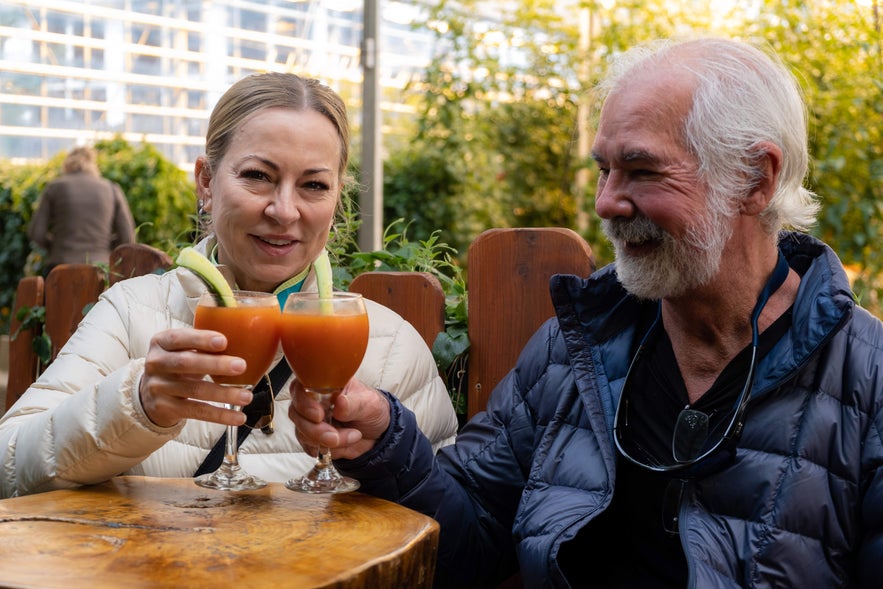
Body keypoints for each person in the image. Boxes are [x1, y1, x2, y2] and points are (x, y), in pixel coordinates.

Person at [287, 37, 883, 588]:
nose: (606, 202)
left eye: (642, 171)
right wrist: (389, 444)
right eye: (604, 170)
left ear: (755, 178)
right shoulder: (573, 351)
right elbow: (467, 546)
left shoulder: (868, 383)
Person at [0, 72, 458, 497]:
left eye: (314, 185)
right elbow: (8, 466)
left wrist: (385, 451)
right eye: (258, 176)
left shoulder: (390, 345)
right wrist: (134, 404)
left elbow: (449, 525)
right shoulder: (130, 313)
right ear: (206, 181)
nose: (284, 211)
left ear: (337, 196)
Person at [28, 145, 136, 276]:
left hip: (60, 267)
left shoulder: (54, 187)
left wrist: (56, 247)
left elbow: (36, 233)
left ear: (66, 165)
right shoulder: (111, 189)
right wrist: (103, 247)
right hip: (100, 269)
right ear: (93, 164)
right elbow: (128, 237)